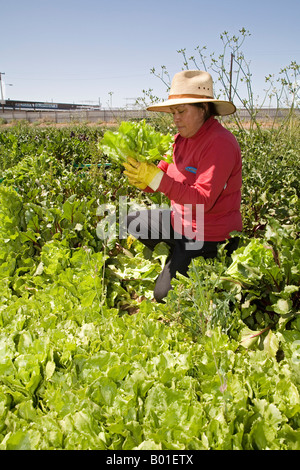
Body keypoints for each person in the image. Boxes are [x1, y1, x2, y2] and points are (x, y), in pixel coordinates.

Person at [123, 70, 242, 302]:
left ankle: (201, 258)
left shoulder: (219, 143)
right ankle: (179, 253)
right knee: (131, 222)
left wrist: (157, 179)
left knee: (163, 296)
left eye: (181, 111)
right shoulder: (179, 140)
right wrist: (143, 180)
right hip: (181, 221)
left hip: (209, 233)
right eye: (173, 112)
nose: (176, 118)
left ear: (203, 109)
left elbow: (202, 201)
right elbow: (162, 174)